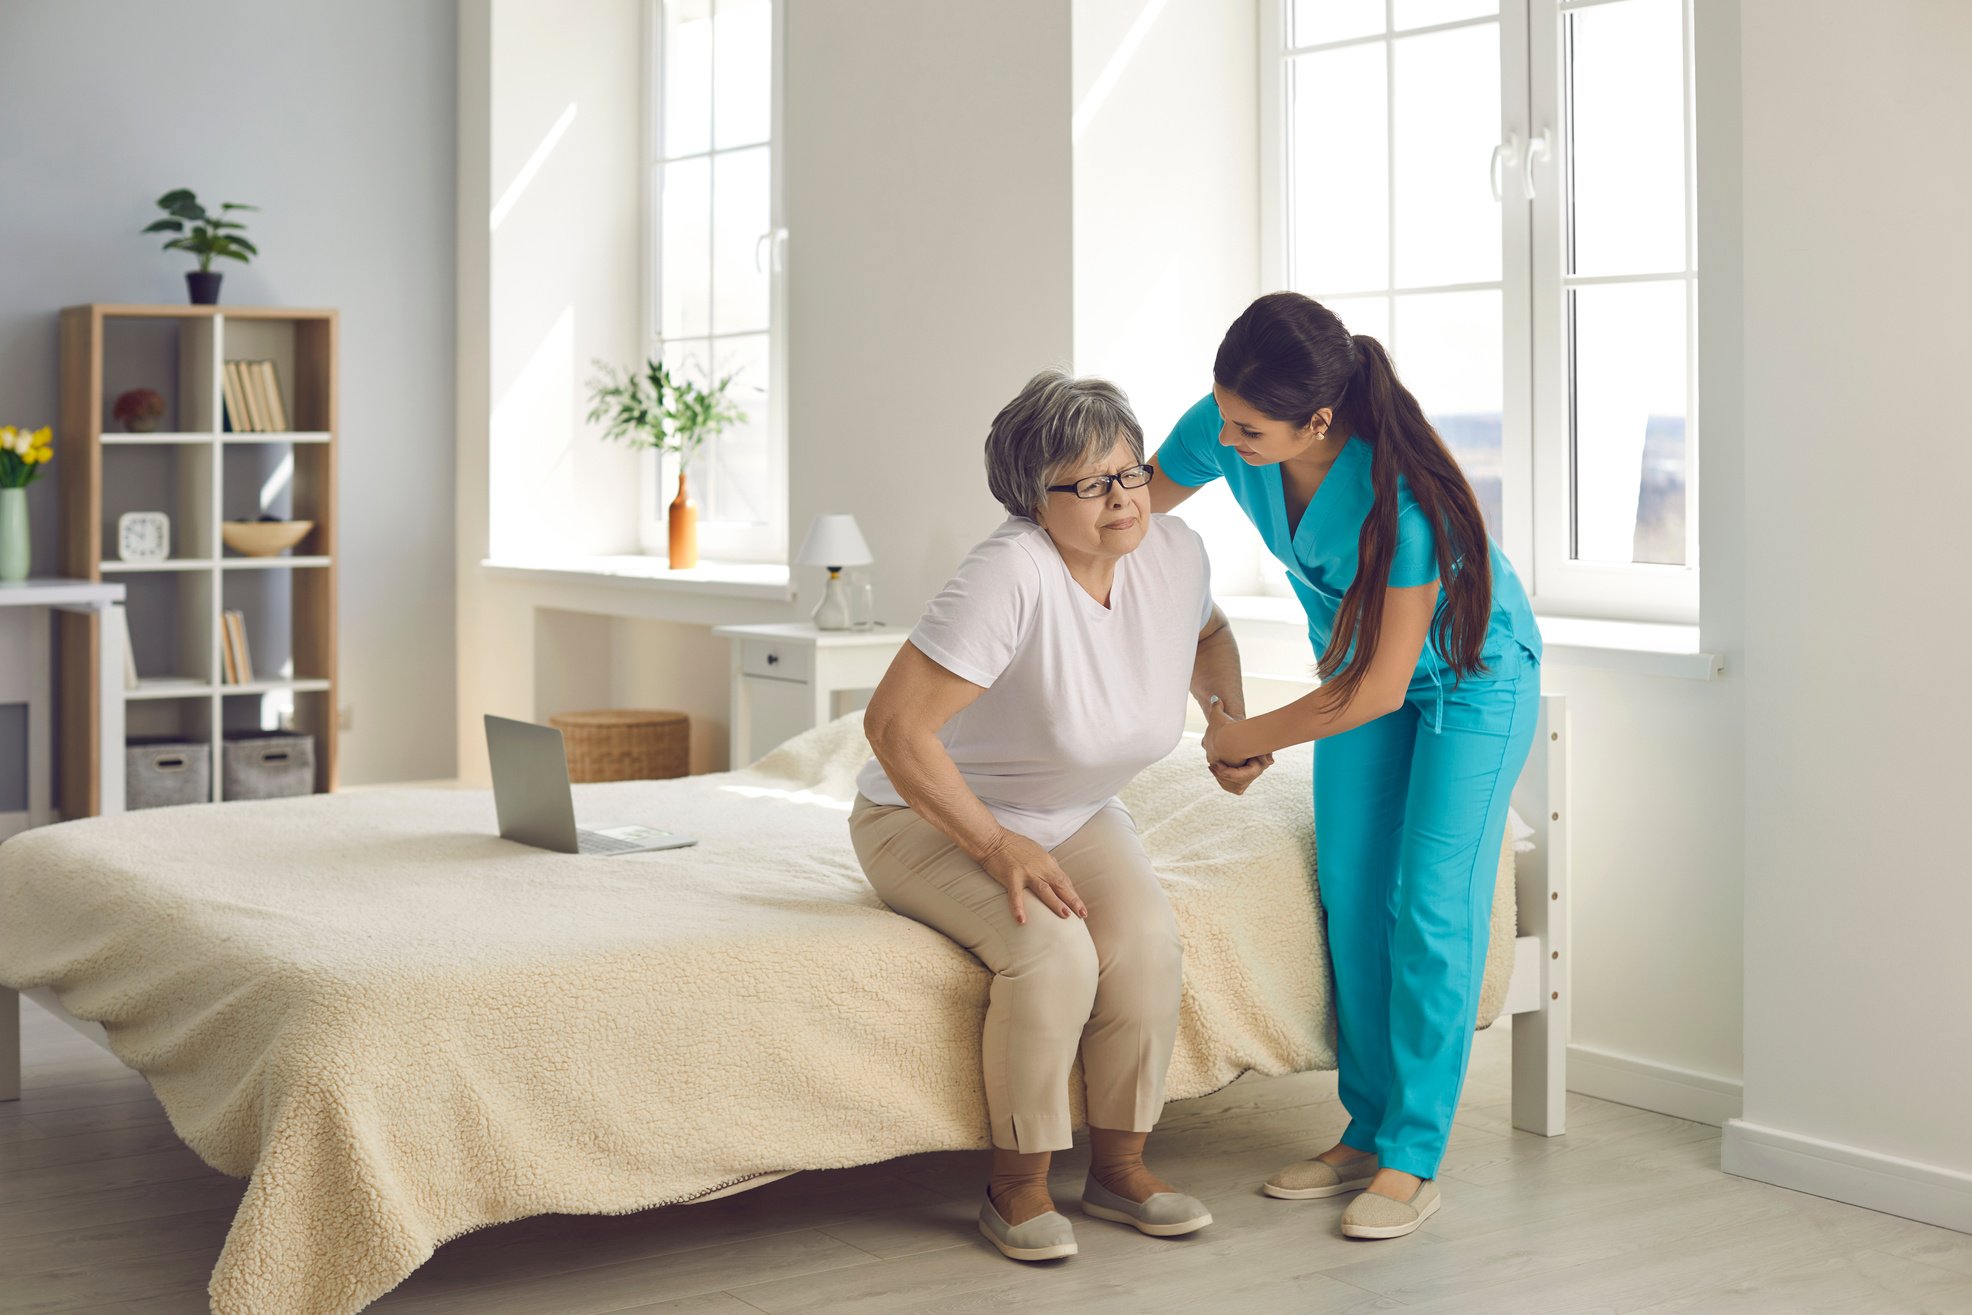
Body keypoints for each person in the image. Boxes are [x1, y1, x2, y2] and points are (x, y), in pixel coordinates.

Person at [1150, 292, 1542, 1240]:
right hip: (1357, 678)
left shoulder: (1406, 503)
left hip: (1467, 686)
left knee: (1432, 904)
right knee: (1353, 893)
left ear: (1316, 421)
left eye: (1250, 428)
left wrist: (1253, 735)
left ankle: (1412, 1156)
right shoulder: (1225, 423)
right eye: (1223, 413)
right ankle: (1364, 1130)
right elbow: (1131, 516)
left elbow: (1379, 686)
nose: (1227, 437)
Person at [850, 369, 1266, 1262]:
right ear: (1032, 500)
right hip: (928, 815)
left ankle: (1121, 1170)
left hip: (1071, 810)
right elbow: (894, 727)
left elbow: (1209, 634)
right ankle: (1019, 1187)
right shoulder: (1009, 575)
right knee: (1052, 951)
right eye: (1089, 484)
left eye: (1129, 473)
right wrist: (995, 844)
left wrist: (1225, 719)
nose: (1122, 499)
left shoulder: (1174, 552)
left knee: (1148, 944)